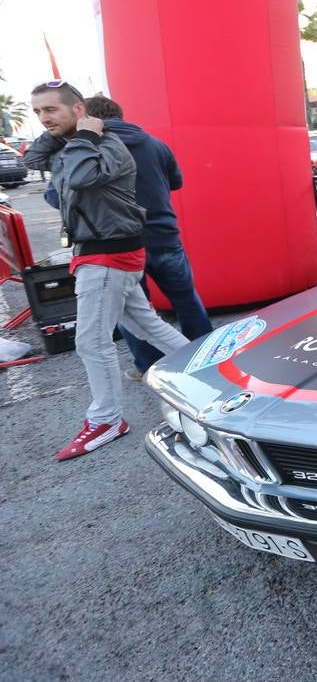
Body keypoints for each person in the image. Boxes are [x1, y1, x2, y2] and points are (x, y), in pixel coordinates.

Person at [23, 81, 191, 461]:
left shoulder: (107, 145)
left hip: (108, 256)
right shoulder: (71, 145)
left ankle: (106, 420)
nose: (43, 118)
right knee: (148, 326)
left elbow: (82, 179)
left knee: (91, 342)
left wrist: (83, 135)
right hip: (101, 252)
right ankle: (213, 372)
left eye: (50, 109)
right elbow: (33, 160)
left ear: (80, 110)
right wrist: (66, 133)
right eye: (37, 112)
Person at [79, 96, 212, 380]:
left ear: (89, 118)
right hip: (164, 234)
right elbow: (176, 182)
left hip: (119, 244)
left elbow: (62, 194)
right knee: (186, 299)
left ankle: (148, 366)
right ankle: (208, 355)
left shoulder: (90, 149)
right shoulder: (155, 143)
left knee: (134, 313)